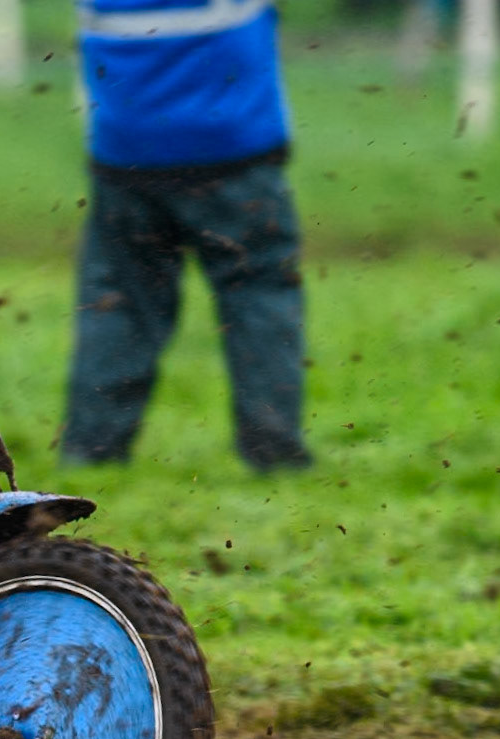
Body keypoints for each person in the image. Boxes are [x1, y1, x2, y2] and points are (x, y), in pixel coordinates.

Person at [60, 0, 312, 472]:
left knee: (120, 302)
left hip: (125, 149)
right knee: (259, 292)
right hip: (234, 149)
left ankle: (92, 450)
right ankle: (275, 451)